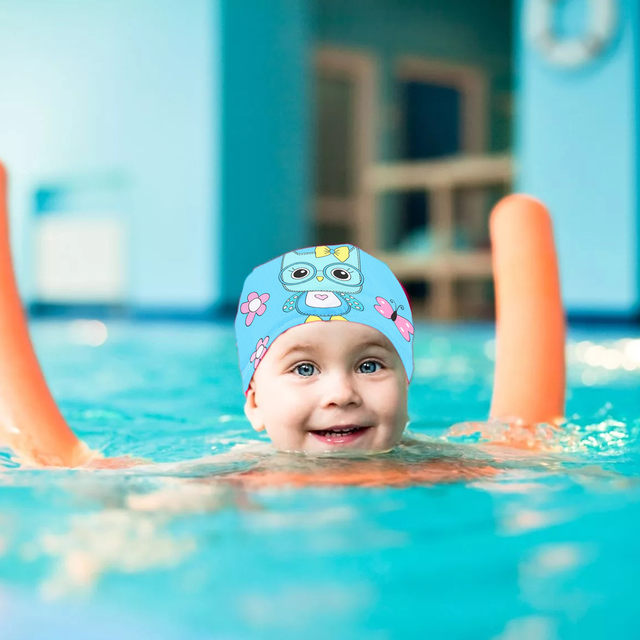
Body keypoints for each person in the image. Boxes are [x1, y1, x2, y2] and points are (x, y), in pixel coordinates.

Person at [0, 159, 566, 472]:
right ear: (253, 404)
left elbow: (528, 461)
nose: (342, 393)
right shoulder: (242, 474)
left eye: (371, 365)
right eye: (302, 369)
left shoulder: (436, 465)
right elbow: (107, 480)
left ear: (407, 383)